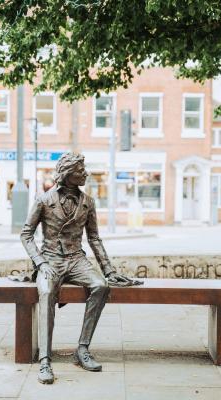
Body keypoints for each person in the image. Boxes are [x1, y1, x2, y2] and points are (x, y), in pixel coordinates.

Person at [20, 152, 140, 384]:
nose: (85, 173)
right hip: (50, 259)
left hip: (76, 259)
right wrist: (41, 262)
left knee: (101, 286)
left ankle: (82, 348)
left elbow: (94, 238)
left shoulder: (88, 202)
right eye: (80, 171)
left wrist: (108, 269)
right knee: (45, 292)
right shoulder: (44, 200)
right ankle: (45, 360)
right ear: (67, 174)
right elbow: (26, 234)